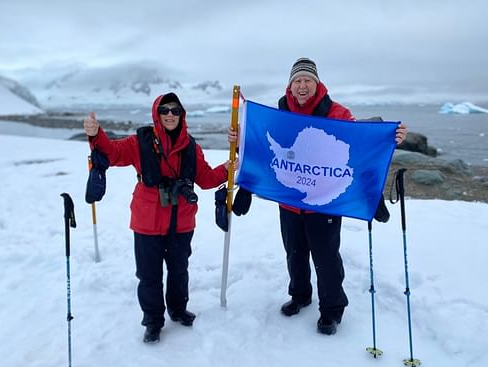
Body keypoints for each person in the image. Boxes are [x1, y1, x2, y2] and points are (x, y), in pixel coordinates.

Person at [228, 57, 408, 335]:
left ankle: (332, 311)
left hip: (324, 203)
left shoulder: (336, 113)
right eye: (297, 80)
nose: (302, 85)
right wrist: (240, 144)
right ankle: (300, 295)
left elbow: (359, 144)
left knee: (326, 258)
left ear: (317, 83)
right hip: (289, 201)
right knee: (295, 254)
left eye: (307, 80)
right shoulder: (280, 113)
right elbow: (262, 147)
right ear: (290, 85)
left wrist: (390, 137)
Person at [85, 93, 232, 344]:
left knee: (178, 270)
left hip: (182, 220)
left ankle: (177, 309)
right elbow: (112, 153)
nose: (170, 115)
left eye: (175, 110)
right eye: (165, 110)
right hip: (147, 220)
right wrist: (96, 134)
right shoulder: (139, 143)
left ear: (182, 114)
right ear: (157, 114)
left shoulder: (191, 146)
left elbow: (205, 179)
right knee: (149, 275)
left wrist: (228, 168)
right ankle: (153, 321)